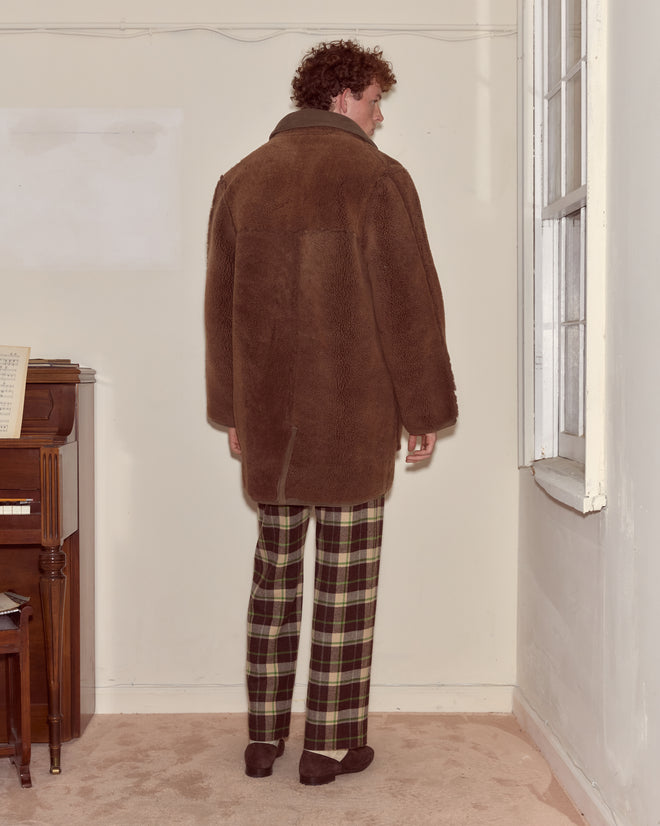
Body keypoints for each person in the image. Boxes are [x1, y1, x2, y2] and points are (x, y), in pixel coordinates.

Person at [204, 39, 457, 786]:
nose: (380, 120)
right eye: (376, 102)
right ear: (343, 95)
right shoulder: (376, 179)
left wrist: (234, 412)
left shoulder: (241, 179)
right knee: (345, 589)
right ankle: (328, 748)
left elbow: (218, 315)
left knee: (273, 581)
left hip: (271, 426)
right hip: (351, 419)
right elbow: (410, 310)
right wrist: (425, 410)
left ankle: (262, 740)